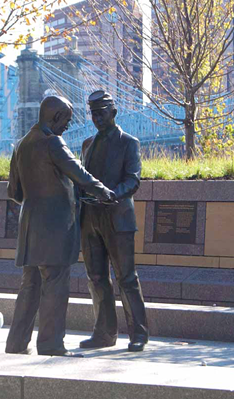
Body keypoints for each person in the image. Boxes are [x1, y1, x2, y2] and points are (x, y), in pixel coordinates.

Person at [5, 95, 115, 357]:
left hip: (29, 229)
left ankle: (16, 344)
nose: (68, 125)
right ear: (55, 117)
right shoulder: (53, 143)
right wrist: (105, 192)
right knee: (55, 285)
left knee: (29, 287)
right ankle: (51, 344)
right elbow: (80, 174)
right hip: (54, 230)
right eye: (66, 119)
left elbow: (15, 193)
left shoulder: (21, 145)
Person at [79, 90, 149, 352]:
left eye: (102, 112)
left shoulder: (129, 143)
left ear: (114, 113)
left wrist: (111, 195)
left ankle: (138, 334)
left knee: (127, 279)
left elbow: (133, 180)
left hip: (118, 218)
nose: (97, 118)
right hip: (90, 220)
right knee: (96, 277)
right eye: (93, 113)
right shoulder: (87, 144)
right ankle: (104, 333)